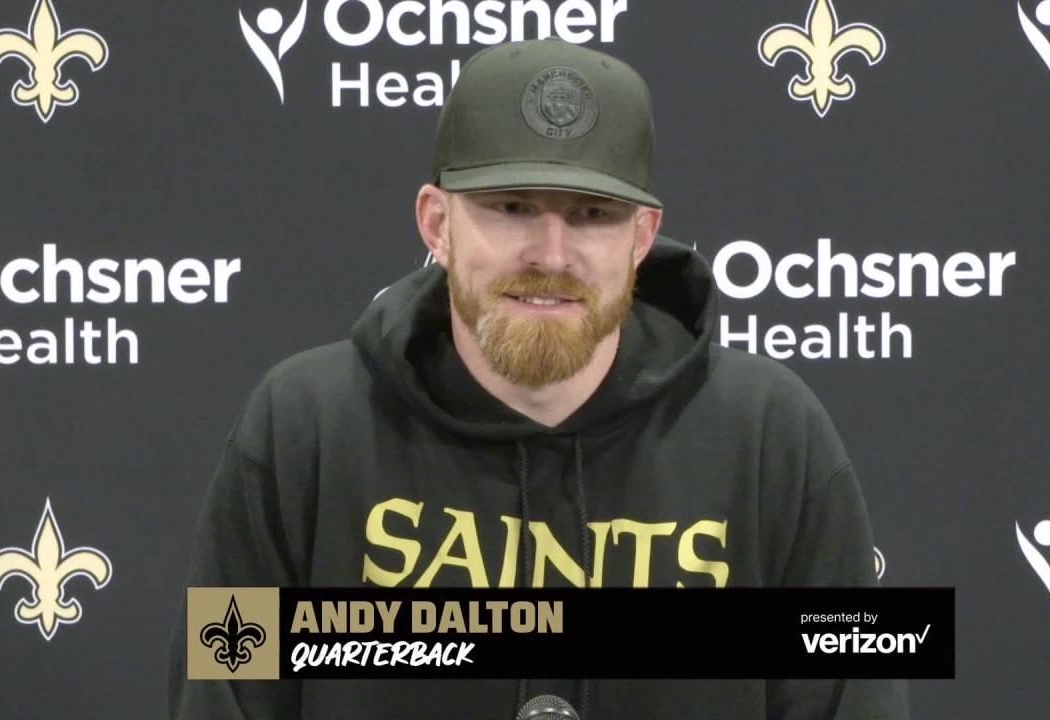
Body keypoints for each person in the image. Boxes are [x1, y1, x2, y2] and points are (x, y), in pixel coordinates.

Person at [167, 37, 909, 719]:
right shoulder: (301, 430)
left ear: (641, 237)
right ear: (437, 223)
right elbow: (222, 694)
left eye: (592, 213)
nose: (551, 253)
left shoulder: (773, 437)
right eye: (510, 207)